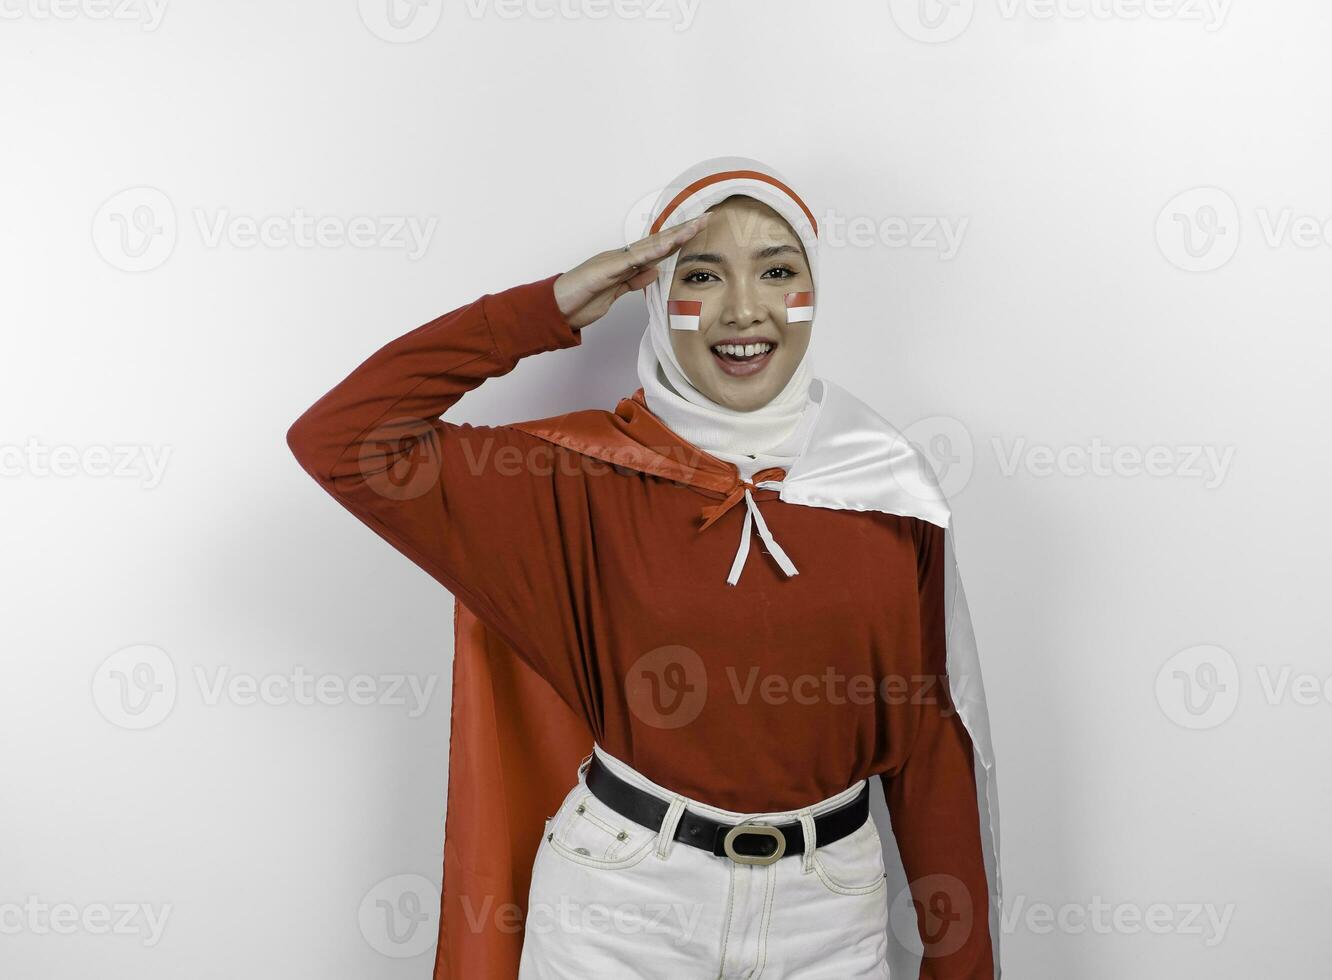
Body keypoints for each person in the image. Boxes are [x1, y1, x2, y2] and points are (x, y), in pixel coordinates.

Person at [286, 156, 1001, 979]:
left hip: (831, 913)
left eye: (778, 269)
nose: (744, 309)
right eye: (702, 273)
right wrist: (548, 309)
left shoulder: (882, 479)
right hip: (620, 914)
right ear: (657, 298)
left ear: (815, 287)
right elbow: (341, 441)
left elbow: (931, 748)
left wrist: (962, 965)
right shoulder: (573, 478)